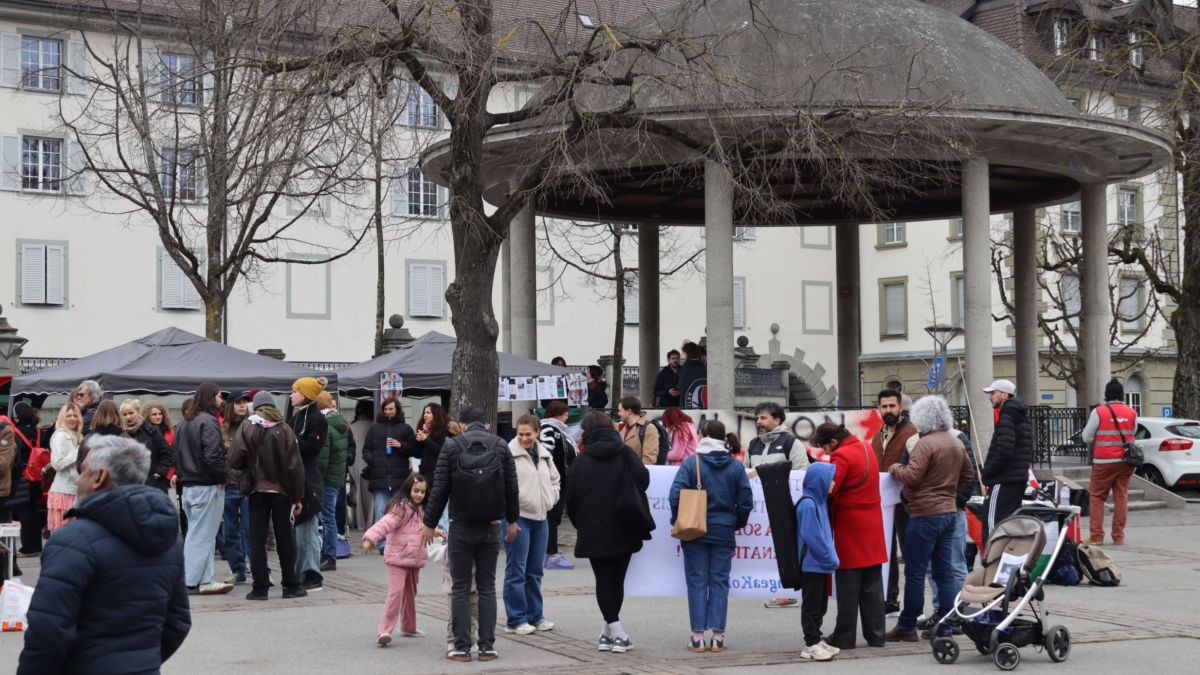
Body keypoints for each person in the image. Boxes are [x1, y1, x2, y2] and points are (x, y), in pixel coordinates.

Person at [17, 436, 190, 675]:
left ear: (100, 477)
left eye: (84, 471)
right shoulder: (169, 541)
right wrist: (140, 661)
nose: (78, 479)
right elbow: (177, 622)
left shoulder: (72, 540)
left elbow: (48, 630)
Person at [422, 405, 519, 663]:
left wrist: (429, 523)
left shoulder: (451, 446)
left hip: (461, 526)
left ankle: (461, 647)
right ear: (487, 425)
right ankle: (487, 647)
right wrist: (512, 521)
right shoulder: (501, 445)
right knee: (487, 587)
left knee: (461, 588)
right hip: (490, 526)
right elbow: (512, 487)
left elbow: (440, 488)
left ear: (462, 425)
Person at [885, 396, 974, 642]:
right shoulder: (955, 441)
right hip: (949, 512)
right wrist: (948, 488)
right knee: (944, 571)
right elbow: (969, 475)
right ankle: (945, 623)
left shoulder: (924, 443)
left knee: (915, 571)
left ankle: (907, 624)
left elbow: (912, 476)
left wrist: (895, 468)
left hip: (925, 513)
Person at [567, 411, 651, 654]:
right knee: (617, 581)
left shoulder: (581, 460)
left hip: (593, 528)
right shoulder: (625, 453)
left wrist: (581, 523)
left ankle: (608, 632)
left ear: (586, 432)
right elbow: (644, 480)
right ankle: (618, 634)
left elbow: (570, 499)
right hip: (625, 524)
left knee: (603, 581)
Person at [670, 419, 752, 654]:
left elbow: (675, 496)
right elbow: (746, 501)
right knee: (719, 581)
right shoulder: (735, 466)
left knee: (697, 581)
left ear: (702, 435)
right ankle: (718, 637)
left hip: (694, 530)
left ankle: (697, 637)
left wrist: (677, 520)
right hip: (723, 530)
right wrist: (735, 523)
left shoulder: (691, 462)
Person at [810, 422, 888, 650]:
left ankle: (844, 636)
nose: (827, 453)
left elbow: (831, 488)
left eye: (826, 448)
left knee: (848, 585)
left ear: (833, 441)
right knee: (872, 583)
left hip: (851, 524)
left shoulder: (841, 455)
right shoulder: (866, 447)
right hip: (873, 522)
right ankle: (877, 635)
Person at [229, 391, 307, 601]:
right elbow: (296, 467)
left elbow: (234, 459)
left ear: (256, 406)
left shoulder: (247, 426)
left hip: (257, 490)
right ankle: (290, 585)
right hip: (282, 492)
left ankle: (260, 587)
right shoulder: (285, 428)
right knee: (284, 539)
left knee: (257, 539)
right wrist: (297, 498)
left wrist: (249, 464)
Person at [364, 473, 441, 645]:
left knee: (410, 594)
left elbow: (423, 528)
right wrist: (370, 538)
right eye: (416, 491)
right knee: (396, 593)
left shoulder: (421, 510)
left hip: (414, 558)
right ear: (408, 489)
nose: (419, 495)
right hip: (398, 557)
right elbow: (385, 523)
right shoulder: (400, 508)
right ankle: (384, 630)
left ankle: (408, 626)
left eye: (422, 492)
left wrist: (437, 531)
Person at [744, 402, 808, 608]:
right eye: (757, 418)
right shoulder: (753, 444)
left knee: (784, 547)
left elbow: (801, 472)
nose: (759, 422)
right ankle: (769, 587)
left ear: (777, 420)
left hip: (782, 506)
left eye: (763, 418)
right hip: (759, 509)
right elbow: (746, 472)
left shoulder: (791, 443)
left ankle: (788, 592)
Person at [503, 414, 561, 635]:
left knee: (535, 570)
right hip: (517, 517)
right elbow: (502, 485)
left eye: (528, 434)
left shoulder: (544, 454)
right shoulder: (508, 453)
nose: (524, 438)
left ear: (537, 432)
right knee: (516, 570)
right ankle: (516, 619)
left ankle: (535, 616)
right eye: (520, 434)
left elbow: (555, 479)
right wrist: (511, 511)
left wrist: (552, 498)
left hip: (541, 517)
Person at [174, 382, 233, 595]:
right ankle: (191, 581)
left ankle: (205, 580)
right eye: (218, 396)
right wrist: (222, 477)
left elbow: (176, 453)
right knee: (201, 535)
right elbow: (213, 454)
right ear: (211, 397)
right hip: (206, 485)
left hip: (189, 485)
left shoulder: (184, 423)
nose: (221, 400)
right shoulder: (208, 421)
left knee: (201, 534)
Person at [870, 388, 915, 616]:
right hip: (883, 502)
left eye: (892, 406)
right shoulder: (877, 436)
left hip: (907, 502)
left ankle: (913, 607)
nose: (888, 410)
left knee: (910, 554)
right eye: (884, 406)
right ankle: (890, 600)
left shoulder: (912, 433)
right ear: (878, 408)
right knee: (886, 552)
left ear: (900, 407)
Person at [1081, 378, 1138, 546]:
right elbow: (1133, 432)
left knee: (1097, 497)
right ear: (1122, 394)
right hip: (1126, 461)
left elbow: (1086, 437)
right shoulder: (1132, 412)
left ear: (1106, 394)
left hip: (1103, 461)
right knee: (1121, 496)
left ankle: (1097, 536)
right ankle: (1118, 536)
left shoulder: (1099, 412)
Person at [796, 462, 841, 661]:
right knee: (812, 604)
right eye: (830, 479)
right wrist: (829, 557)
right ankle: (810, 644)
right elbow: (813, 537)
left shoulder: (819, 502)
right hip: (812, 563)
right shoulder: (808, 504)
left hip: (820, 563)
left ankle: (816, 637)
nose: (834, 483)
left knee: (820, 604)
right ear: (820, 481)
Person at [290, 377, 330, 592]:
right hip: (298, 477)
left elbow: (313, 449)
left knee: (307, 531)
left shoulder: (317, 418)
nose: (291, 395)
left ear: (305, 395)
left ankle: (312, 575)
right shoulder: (297, 415)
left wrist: (293, 440)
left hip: (309, 481)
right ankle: (300, 573)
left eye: (295, 391)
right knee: (299, 532)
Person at [981, 379, 1032, 538]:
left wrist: (988, 472)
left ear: (1004, 395)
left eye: (993, 393)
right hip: (1017, 479)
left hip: (1003, 479)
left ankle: (991, 553)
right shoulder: (1020, 414)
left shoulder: (1007, 414)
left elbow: (1004, 450)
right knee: (1010, 524)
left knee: (993, 525)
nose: (989, 397)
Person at [362, 397, 418, 538]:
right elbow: (366, 450)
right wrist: (374, 461)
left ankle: (398, 539)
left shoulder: (406, 428)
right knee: (380, 512)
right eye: (386, 409)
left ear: (397, 409)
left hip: (400, 479)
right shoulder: (374, 429)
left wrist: (401, 445)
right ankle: (381, 542)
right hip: (379, 477)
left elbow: (414, 450)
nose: (388, 412)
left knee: (400, 512)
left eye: (391, 409)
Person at [217, 392, 253, 585]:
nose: (242, 405)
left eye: (244, 402)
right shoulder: (222, 428)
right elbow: (217, 456)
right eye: (238, 402)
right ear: (230, 405)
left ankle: (261, 569)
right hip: (229, 485)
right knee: (230, 531)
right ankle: (238, 570)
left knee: (251, 530)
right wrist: (220, 476)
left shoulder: (252, 425)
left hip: (248, 485)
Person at [539, 400, 578, 570]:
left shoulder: (557, 430)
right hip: (554, 481)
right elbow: (545, 453)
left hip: (559, 480)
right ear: (557, 414)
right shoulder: (549, 429)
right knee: (552, 518)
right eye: (565, 413)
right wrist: (550, 477)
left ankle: (548, 552)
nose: (567, 416)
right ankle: (550, 554)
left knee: (553, 518)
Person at [7, 402, 45, 556]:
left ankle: (29, 547)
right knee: (33, 511)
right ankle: (37, 545)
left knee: (24, 513)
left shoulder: (15, 432)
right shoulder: (38, 431)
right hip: (36, 476)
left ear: (17, 416)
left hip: (21, 477)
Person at [318, 392, 349, 572]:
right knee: (328, 516)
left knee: (327, 517)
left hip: (327, 478)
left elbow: (323, 458)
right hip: (336, 477)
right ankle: (328, 553)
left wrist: (317, 477)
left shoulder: (326, 425)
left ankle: (329, 555)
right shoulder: (339, 422)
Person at [119, 398, 172, 492]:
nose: (128, 417)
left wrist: (159, 472)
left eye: (131, 413)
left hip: (153, 485)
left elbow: (167, 453)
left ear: (138, 412)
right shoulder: (122, 434)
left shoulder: (151, 431)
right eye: (125, 414)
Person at [47, 403, 84, 534]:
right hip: (63, 492)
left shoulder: (78, 436)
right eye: (68, 416)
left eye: (75, 415)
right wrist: (77, 452)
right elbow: (57, 463)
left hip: (76, 492)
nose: (72, 419)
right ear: (62, 417)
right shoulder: (60, 435)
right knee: (63, 536)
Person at [349, 399, 376, 529]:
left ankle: (357, 521)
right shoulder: (374, 425)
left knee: (356, 491)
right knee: (368, 495)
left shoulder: (352, 426)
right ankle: (368, 521)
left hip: (353, 462)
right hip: (367, 462)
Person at [617, 396, 660, 465]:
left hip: (637, 471)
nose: (618, 414)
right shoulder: (621, 427)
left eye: (620, 411)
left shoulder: (649, 428)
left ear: (629, 411)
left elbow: (649, 459)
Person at [415, 403, 451, 485]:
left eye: (428, 413)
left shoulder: (445, 431)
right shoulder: (422, 429)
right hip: (424, 475)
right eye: (424, 413)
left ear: (436, 414)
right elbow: (417, 454)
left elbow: (441, 451)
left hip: (439, 474)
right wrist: (418, 442)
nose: (425, 415)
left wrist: (426, 439)